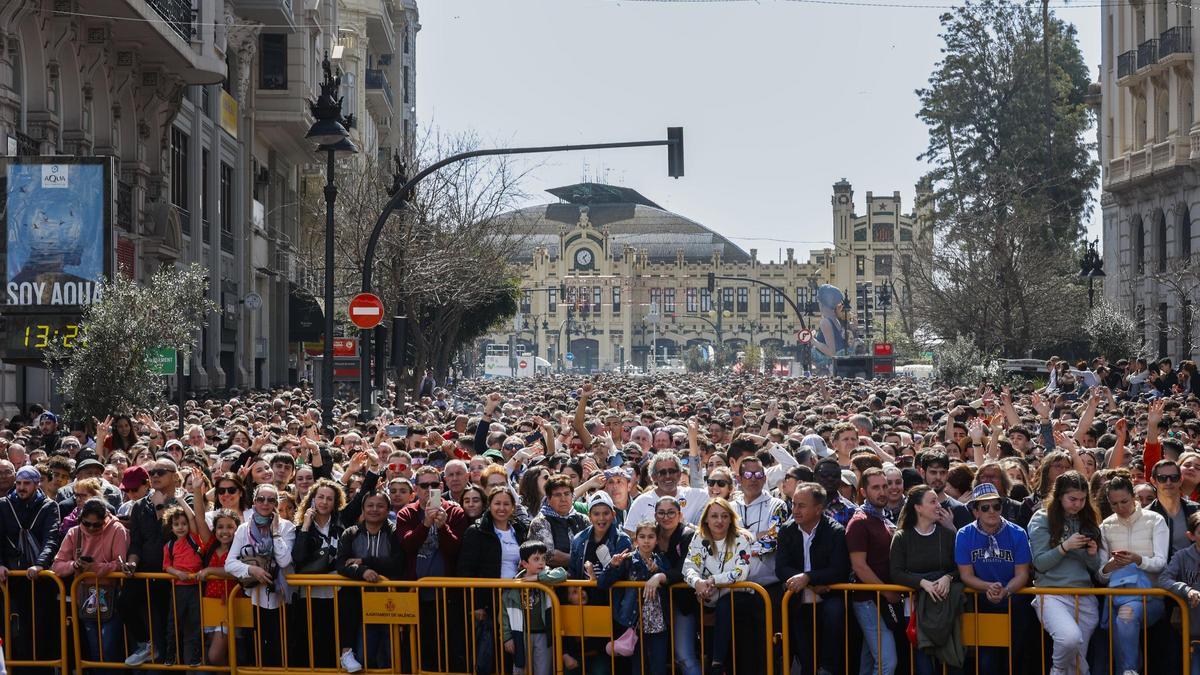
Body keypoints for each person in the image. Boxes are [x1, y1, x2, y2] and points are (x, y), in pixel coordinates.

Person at [1028, 471, 1102, 675]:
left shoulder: (1087, 519)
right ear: (1059, 495)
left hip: (1085, 596)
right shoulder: (1041, 518)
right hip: (1051, 594)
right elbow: (1040, 563)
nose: (1077, 504)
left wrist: (1092, 554)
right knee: (1069, 638)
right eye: (1072, 499)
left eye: (1082, 499)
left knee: (1079, 663)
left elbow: (1095, 568)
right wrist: (1065, 546)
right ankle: (1057, 671)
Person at [955, 483, 1032, 673]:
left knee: (1013, 661)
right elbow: (966, 575)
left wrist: (1005, 591)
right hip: (982, 603)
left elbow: (1022, 573)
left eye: (996, 506)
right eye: (985, 507)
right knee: (986, 663)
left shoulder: (1018, 533)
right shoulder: (964, 535)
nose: (992, 511)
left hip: (1015, 604)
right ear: (975, 512)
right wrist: (988, 587)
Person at [1097, 474, 1169, 675]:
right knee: (1122, 619)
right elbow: (1101, 575)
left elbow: (1161, 563)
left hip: (1149, 596)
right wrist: (1111, 565)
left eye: (1124, 501)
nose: (1120, 507)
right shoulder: (1105, 526)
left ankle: (1129, 670)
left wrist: (1138, 560)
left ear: (1134, 497)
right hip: (1116, 598)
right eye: (1114, 504)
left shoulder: (1155, 520)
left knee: (1126, 616)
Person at [776, 481, 850, 675]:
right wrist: (806, 582)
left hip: (829, 598)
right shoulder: (786, 530)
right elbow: (781, 568)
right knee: (805, 655)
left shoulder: (835, 531)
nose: (795, 510)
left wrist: (808, 577)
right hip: (798, 600)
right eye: (794, 504)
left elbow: (839, 569)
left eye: (801, 505)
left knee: (834, 620)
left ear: (818, 509)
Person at [889, 484, 963, 675]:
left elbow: (961, 567)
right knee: (923, 664)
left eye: (937, 501)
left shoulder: (947, 535)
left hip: (945, 610)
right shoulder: (902, 537)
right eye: (932, 501)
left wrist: (948, 577)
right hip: (914, 610)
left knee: (947, 663)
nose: (938, 505)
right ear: (918, 507)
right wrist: (922, 583)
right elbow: (896, 572)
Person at [224, 483, 295, 668]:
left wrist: (275, 532)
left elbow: (284, 560)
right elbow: (229, 563)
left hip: (280, 599)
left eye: (271, 500)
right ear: (254, 502)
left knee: (278, 650)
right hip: (252, 597)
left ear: (275, 504)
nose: (265, 503)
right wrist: (252, 570)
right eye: (261, 499)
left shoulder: (287, 527)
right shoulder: (243, 529)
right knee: (254, 650)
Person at [683, 497, 756, 675]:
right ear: (706, 519)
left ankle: (717, 664)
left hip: (738, 596)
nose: (719, 520)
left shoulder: (741, 538)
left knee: (725, 605)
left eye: (724, 516)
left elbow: (741, 572)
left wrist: (713, 580)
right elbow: (689, 567)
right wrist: (697, 582)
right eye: (714, 516)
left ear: (731, 518)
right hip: (708, 598)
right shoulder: (699, 537)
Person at [51, 498, 128, 665]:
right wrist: (74, 564)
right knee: (95, 650)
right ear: (80, 519)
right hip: (85, 597)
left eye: (97, 525)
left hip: (112, 595)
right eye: (87, 524)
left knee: (109, 648)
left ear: (105, 518)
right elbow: (57, 566)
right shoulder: (74, 533)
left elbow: (121, 564)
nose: (92, 528)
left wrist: (95, 568)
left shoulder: (117, 529)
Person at [1, 465, 61, 669]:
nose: (21, 487)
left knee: (41, 628)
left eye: (26, 483)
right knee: (14, 630)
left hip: (40, 579)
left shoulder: (49, 506)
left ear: (37, 484)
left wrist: (39, 565)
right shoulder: (4, 505)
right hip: (12, 577)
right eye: (18, 483)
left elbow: (51, 539)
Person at [336, 489, 403, 672]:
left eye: (380, 505)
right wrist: (362, 571)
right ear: (363, 509)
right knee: (365, 655)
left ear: (388, 509)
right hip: (360, 604)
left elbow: (398, 563)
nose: (374, 509)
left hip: (391, 602)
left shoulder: (395, 532)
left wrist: (365, 561)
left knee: (393, 656)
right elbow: (342, 564)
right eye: (370, 505)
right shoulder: (350, 533)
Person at [598, 520, 671, 675]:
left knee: (658, 666)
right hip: (634, 622)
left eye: (651, 536)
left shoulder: (662, 559)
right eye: (642, 536)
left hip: (658, 622)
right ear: (636, 540)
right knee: (638, 666)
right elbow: (603, 583)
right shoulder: (627, 560)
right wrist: (612, 566)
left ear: (657, 540)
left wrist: (658, 571)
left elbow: (671, 578)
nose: (646, 540)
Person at [846, 467, 899, 675]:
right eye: (876, 487)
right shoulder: (859, 523)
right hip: (868, 601)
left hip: (880, 600)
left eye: (885, 486)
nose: (883, 491)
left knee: (869, 661)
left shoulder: (882, 519)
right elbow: (859, 566)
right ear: (863, 492)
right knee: (887, 663)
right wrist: (887, 591)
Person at [290, 478, 346, 668]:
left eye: (329, 499)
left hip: (336, 594)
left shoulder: (341, 525)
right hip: (309, 594)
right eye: (320, 497)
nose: (324, 502)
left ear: (335, 503)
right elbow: (297, 557)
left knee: (331, 641)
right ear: (312, 499)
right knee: (310, 642)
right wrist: (306, 525)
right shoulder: (300, 528)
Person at [501, 540, 568, 675]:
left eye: (543, 558)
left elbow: (562, 574)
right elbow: (504, 614)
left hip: (543, 633)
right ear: (524, 563)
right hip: (521, 634)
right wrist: (507, 637)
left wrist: (538, 578)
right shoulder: (515, 584)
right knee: (521, 669)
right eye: (536, 559)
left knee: (543, 670)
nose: (541, 562)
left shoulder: (547, 576)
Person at [654, 495, 702, 675]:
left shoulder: (688, 535)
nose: (666, 517)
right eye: (661, 513)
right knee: (655, 656)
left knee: (684, 656)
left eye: (671, 512)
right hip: (657, 604)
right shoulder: (651, 533)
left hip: (683, 603)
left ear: (680, 515)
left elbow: (684, 568)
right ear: (656, 515)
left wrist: (659, 576)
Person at [1158, 511, 1200, 675]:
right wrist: (1187, 590)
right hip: (1194, 634)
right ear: (1191, 535)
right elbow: (1164, 579)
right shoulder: (1182, 556)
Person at [529, 473, 588, 568]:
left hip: (584, 579)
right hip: (553, 580)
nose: (563, 499)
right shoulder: (540, 522)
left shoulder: (583, 519)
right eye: (557, 495)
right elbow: (550, 556)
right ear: (548, 498)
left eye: (567, 494)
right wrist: (581, 560)